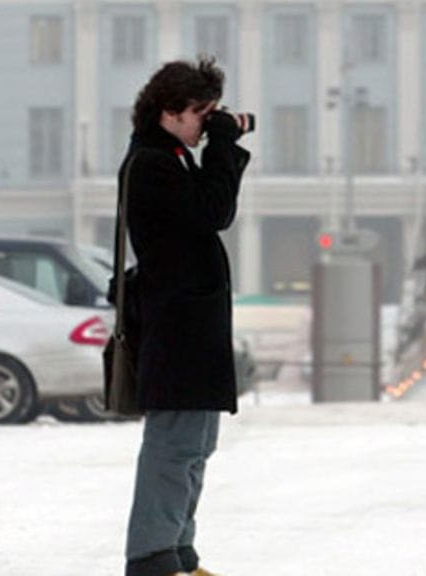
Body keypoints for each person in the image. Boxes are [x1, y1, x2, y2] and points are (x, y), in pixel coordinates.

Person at [119, 57, 251, 576]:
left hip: (191, 328)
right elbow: (214, 212)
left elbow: (205, 213)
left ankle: (178, 552)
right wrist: (224, 144)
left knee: (196, 446)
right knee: (173, 447)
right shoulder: (152, 162)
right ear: (169, 112)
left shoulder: (171, 156)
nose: (208, 124)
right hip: (177, 330)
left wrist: (216, 142)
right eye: (202, 114)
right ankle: (152, 557)